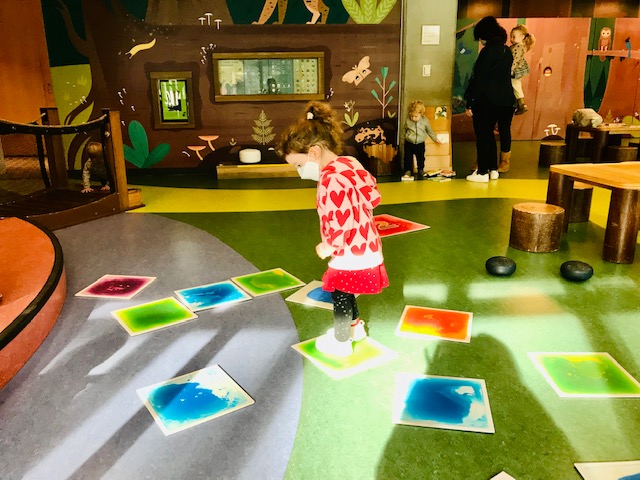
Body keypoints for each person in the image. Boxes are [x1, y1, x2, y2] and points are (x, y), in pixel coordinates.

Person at [276, 101, 389, 357]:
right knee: (347, 291)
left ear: (314, 152)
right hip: (369, 245)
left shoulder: (330, 180)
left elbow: (339, 220)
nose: (299, 171)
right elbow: (373, 197)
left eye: (298, 164)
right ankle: (356, 329)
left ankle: (341, 342)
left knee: (340, 295)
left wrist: (328, 246)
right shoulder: (350, 163)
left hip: (349, 251)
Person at [464, 16, 515, 182]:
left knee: (484, 136)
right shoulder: (506, 51)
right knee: (492, 135)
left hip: (487, 101)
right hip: (506, 100)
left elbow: (480, 79)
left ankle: (482, 172)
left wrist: (470, 102)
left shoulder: (487, 52)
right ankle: (494, 170)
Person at [402, 100, 442, 181]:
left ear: (421, 114)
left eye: (416, 116)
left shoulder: (425, 121)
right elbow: (404, 130)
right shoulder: (408, 121)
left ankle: (420, 169)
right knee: (407, 157)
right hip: (409, 142)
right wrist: (402, 139)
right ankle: (408, 170)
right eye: (412, 116)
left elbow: (430, 131)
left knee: (420, 157)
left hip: (420, 142)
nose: (413, 118)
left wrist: (435, 139)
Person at [510, 24, 535, 116]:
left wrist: (510, 69)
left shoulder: (518, 47)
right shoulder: (518, 46)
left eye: (514, 36)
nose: (511, 39)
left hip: (515, 70)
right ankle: (519, 103)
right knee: (515, 85)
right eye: (511, 37)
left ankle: (521, 104)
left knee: (515, 84)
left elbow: (515, 60)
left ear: (522, 37)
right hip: (515, 69)